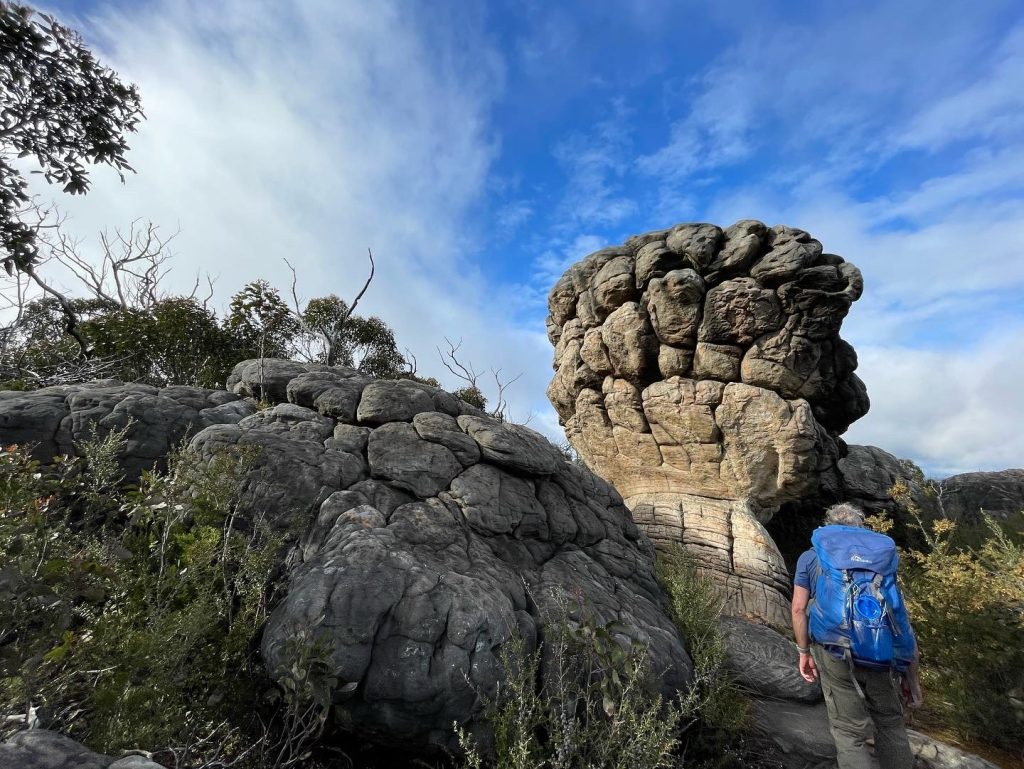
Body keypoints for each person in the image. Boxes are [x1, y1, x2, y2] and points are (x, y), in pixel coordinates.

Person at [791, 502, 923, 769]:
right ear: (860, 527)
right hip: (880, 649)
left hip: (833, 648)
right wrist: (912, 673)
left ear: (829, 525)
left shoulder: (810, 557)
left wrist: (804, 652)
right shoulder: (879, 560)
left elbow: (798, 609)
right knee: (890, 723)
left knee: (848, 730)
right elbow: (898, 614)